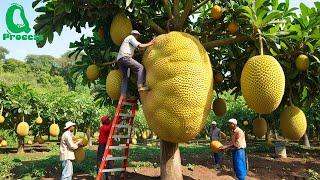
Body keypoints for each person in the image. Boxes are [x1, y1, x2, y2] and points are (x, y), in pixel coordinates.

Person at [116, 30, 155, 96]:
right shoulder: (131, 37)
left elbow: (138, 48)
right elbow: (140, 45)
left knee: (125, 77)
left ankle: (123, 95)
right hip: (125, 57)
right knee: (140, 68)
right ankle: (140, 86)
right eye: (138, 36)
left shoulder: (128, 40)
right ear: (135, 34)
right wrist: (150, 43)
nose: (138, 37)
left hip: (120, 59)